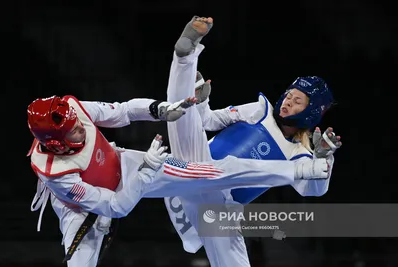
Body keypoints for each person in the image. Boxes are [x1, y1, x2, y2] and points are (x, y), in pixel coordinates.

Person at [27, 94, 328, 266]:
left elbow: (122, 111)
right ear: (56, 144)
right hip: (83, 206)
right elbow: (116, 206)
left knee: (215, 172)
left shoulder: (72, 109)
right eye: (73, 132)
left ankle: (296, 171)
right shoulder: (56, 172)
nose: (81, 126)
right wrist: (146, 172)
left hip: (126, 165)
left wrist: (159, 109)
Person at [163, 16, 342, 267]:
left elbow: (313, 190)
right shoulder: (260, 111)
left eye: (297, 101)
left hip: (216, 207)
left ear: (311, 112)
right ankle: (185, 57)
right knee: (184, 114)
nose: (289, 101)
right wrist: (202, 102)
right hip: (193, 171)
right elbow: (207, 121)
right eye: (289, 95)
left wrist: (323, 158)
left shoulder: (298, 154)